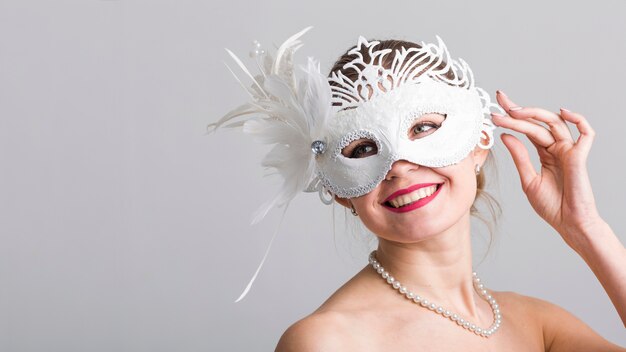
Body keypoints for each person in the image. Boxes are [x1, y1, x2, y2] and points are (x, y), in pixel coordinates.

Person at [212, 28, 626, 351]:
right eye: (362, 148)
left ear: (479, 143)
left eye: (424, 128)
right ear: (338, 189)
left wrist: (587, 229)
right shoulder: (328, 341)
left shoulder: (537, 326)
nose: (398, 165)